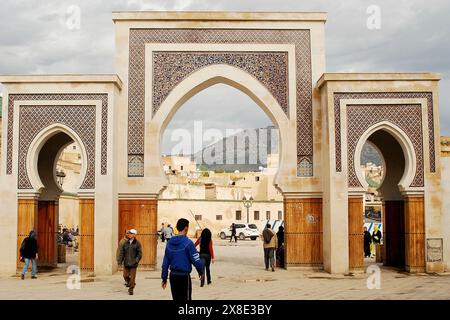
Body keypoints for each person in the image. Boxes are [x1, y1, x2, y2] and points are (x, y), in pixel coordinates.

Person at [161, 218, 204, 301]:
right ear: (186, 228)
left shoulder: (169, 243)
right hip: (184, 277)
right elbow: (196, 260)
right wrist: (201, 272)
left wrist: (164, 278)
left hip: (173, 277)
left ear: (177, 228)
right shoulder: (188, 243)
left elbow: (165, 263)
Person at [117, 229, 142, 295]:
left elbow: (139, 253)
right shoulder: (126, 243)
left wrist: (136, 260)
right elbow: (122, 252)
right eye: (129, 233)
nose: (129, 234)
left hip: (134, 264)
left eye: (131, 233)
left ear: (134, 235)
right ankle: (131, 283)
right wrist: (120, 261)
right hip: (126, 263)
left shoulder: (137, 243)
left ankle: (131, 289)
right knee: (125, 276)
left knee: (133, 277)